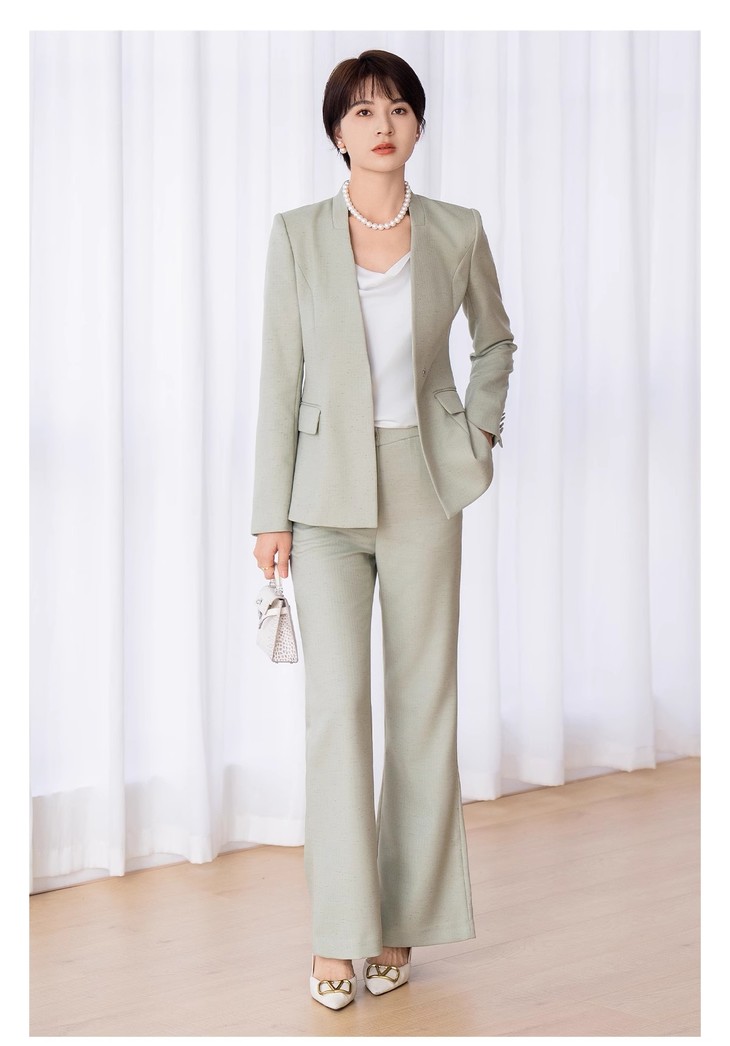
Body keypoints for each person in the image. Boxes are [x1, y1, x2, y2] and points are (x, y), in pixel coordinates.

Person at [251, 49, 517, 1010]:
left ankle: (403, 921)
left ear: (417, 126)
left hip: (423, 488)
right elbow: (279, 379)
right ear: (337, 132)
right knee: (336, 715)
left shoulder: (456, 230)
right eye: (363, 112)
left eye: (399, 108)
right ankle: (338, 932)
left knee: (422, 710)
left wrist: (477, 428)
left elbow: (495, 340)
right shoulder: (296, 235)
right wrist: (267, 514)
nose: (383, 125)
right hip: (322, 501)